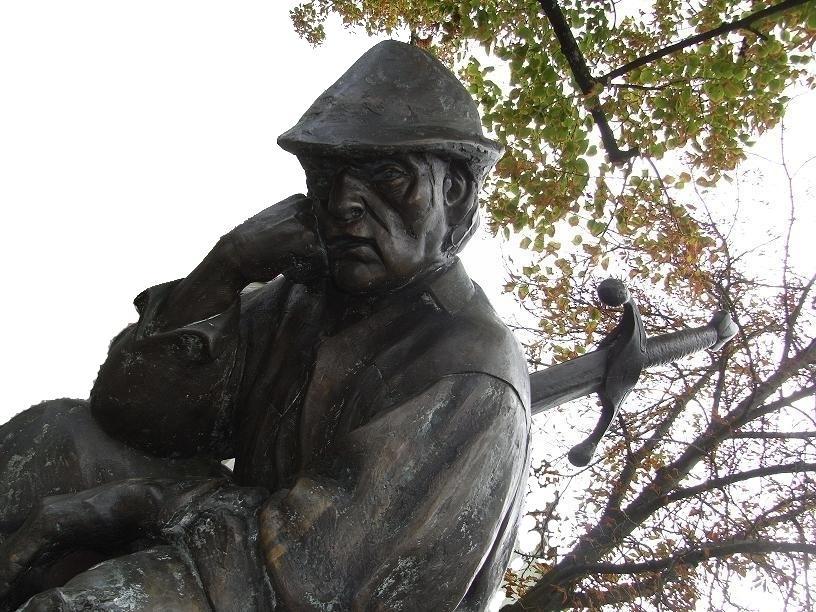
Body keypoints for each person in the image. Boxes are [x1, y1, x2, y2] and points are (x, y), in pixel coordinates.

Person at [0, 40, 530, 611]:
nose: (344, 205)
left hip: (281, 583)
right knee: (55, 436)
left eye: (386, 175)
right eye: (326, 180)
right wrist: (223, 269)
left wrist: (138, 503)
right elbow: (131, 416)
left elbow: (310, 576)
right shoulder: (300, 301)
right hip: (236, 542)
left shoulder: (470, 367)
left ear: (453, 192)